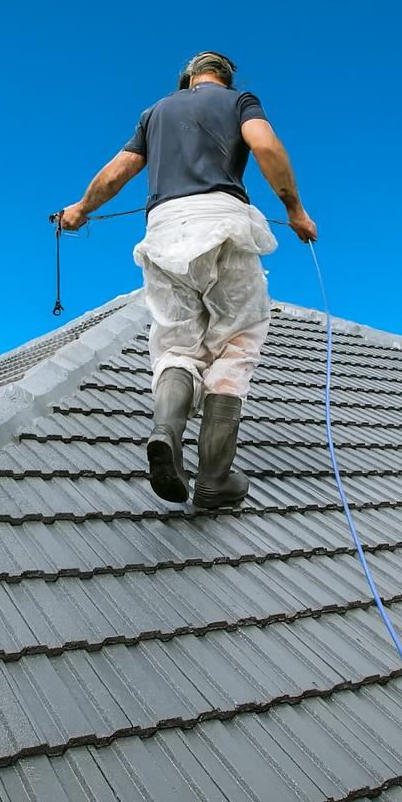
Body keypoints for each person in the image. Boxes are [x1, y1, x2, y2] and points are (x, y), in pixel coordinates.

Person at [60, 52, 316, 509]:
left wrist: (80, 210)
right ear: (225, 78)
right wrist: (294, 210)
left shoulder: (155, 112)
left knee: (178, 348)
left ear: (187, 79)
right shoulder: (240, 101)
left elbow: (118, 171)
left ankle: (166, 433)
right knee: (236, 344)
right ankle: (214, 479)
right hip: (223, 225)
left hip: (162, 232)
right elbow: (266, 146)